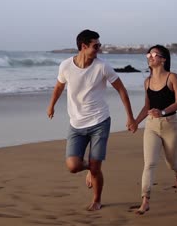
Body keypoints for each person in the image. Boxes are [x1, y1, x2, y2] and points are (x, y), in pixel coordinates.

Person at [47, 29, 137, 211]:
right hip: (76, 124)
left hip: (100, 121)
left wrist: (130, 117)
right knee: (73, 166)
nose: (99, 49)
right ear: (83, 46)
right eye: (96, 46)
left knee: (96, 168)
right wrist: (51, 105)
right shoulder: (65, 66)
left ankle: (96, 200)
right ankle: (90, 168)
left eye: (99, 45)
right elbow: (58, 87)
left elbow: (121, 90)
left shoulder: (103, 66)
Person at [134, 45, 177, 215]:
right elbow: (147, 106)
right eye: (149, 54)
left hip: (171, 125)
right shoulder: (146, 81)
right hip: (152, 126)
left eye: (154, 54)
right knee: (149, 163)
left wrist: (162, 111)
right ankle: (145, 200)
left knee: (171, 162)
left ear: (163, 59)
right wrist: (135, 122)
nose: (150, 57)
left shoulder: (172, 78)